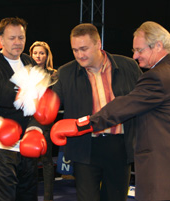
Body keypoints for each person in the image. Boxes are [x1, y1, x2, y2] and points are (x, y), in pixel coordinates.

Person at [51, 21, 170, 201]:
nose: (136, 56)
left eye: (140, 50)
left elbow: (125, 105)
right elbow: (52, 99)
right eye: (75, 50)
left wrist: (81, 124)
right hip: (89, 150)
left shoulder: (152, 75)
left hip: (154, 159)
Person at [37, 23, 142, 201]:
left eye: (84, 49)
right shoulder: (65, 72)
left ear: (98, 44)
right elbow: (49, 105)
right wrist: (34, 111)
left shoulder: (128, 66)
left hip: (120, 147)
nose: (79, 55)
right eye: (75, 50)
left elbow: (145, 100)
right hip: (84, 148)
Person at [0, 17, 56, 201]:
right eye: (12, 38)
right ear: (2, 39)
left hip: (27, 143)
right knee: (1, 197)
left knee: (27, 195)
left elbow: (42, 102)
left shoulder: (31, 63)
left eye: (21, 38)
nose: (17, 42)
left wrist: (35, 128)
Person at [29, 41, 57, 201]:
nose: (38, 56)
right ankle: (29, 195)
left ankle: (48, 197)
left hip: (46, 120)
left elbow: (57, 96)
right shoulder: (25, 73)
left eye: (42, 53)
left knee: (46, 161)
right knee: (29, 162)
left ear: (47, 56)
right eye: (35, 53)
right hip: (28, 121)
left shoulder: (54, 74)